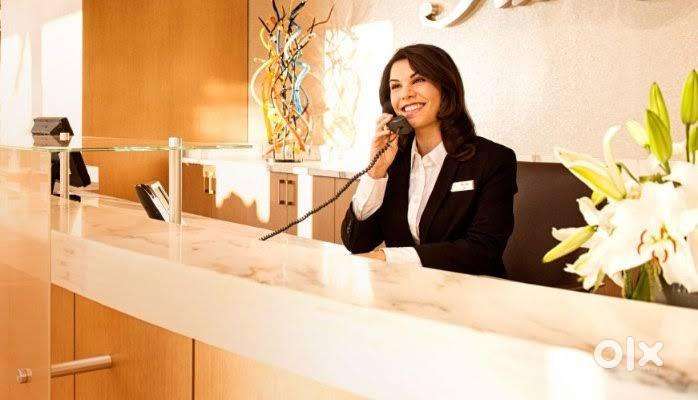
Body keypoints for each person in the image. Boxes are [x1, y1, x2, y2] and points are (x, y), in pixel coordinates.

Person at [341, 44, 518, 277]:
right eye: (396, 86)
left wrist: (389, 257)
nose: (405, 94)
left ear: (446, 87)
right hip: (405, 291)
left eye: (418, 80)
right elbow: (356, 243)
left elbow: (483, 250)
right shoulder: (393, 161)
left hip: (471, 292)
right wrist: (376, 172)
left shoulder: (493, 160)